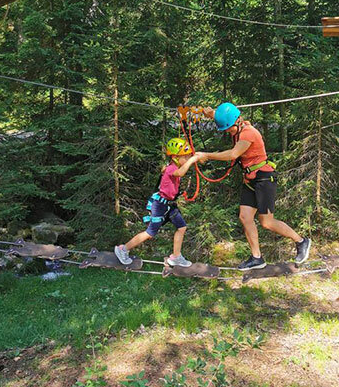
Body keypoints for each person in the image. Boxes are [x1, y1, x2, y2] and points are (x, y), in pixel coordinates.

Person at [196, 102, 311, 271]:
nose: (228, 132)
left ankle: (301, 241)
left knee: (267, 222)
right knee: (245, 217)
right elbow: (226, 118)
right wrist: (212, 113)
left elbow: (233, 154)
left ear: (237, 121)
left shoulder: (249, 133)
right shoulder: (237, 124)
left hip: (264, 179)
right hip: (250, 180)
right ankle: (257, 257)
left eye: (229, 129)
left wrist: (207, 155)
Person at [114, 137, 201, 267]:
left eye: (188, 157)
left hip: (169, 205)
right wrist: (193, 160)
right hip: (160, 205)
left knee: (182, 227)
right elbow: (181, 173)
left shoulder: (174, 166)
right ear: (176, 157)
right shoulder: (172, 168)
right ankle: (123, 249)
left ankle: (176, 257)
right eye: (186, 157)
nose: (188, 159)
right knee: (150, 233)